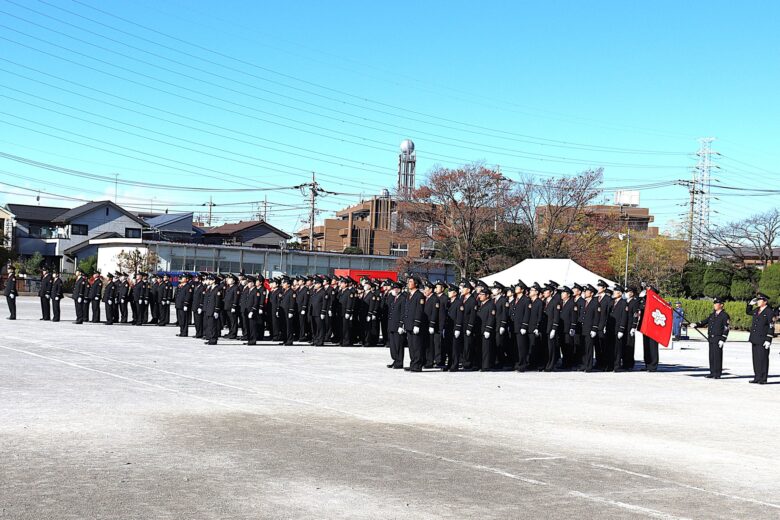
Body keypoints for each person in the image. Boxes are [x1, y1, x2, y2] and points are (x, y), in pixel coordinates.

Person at [691, 298, 730, 379]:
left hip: (718, 338)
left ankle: (717, 373)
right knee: (711, 356)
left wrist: (723, 339)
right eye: (714, 304)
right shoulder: (712, 314)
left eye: (716, 304)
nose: (715, 305)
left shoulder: (724, 315)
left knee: (717, 356)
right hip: (711, 338)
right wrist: (696, 324)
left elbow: (726, 328)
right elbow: (704, 321)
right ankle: (712, 372)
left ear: (721, 305)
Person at [745, 293, 772, 384]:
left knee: (763, 359)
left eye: (760, 300)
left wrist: (768, 339)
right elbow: (748, 312)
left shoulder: (769, 311)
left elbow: (771, 326)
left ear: (765, 301)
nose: (758, 302)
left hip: (763, 339)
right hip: (755, 338)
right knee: (756, 359)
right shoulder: (757, 310)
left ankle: (763, 378)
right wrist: (750, 304)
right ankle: (757, 377)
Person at [403, 275, 425, 372]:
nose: (408, 283)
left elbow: (419, 311)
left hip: (415, 324)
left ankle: (417, 365)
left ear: (416, 284)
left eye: (411, 281)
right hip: (408, 324)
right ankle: (413, 363)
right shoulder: (409, 295)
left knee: (417, 346)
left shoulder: (419, 295)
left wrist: (417, 324)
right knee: (411, 346)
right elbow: (407, 310)